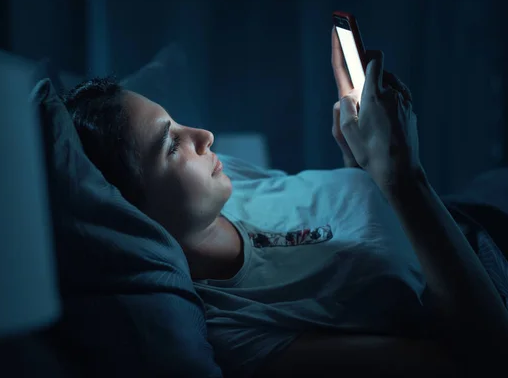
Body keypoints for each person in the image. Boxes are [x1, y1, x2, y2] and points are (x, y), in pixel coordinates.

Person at [62, 30, 508, 377]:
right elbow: (479, 361)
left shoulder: (222, 179)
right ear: (129, 212)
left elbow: (347, 223)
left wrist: (361, 162)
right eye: (170, 145)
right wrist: (404, 177)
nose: (203, 136)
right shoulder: (234, 332)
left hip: (468, 209)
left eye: (178, 122)